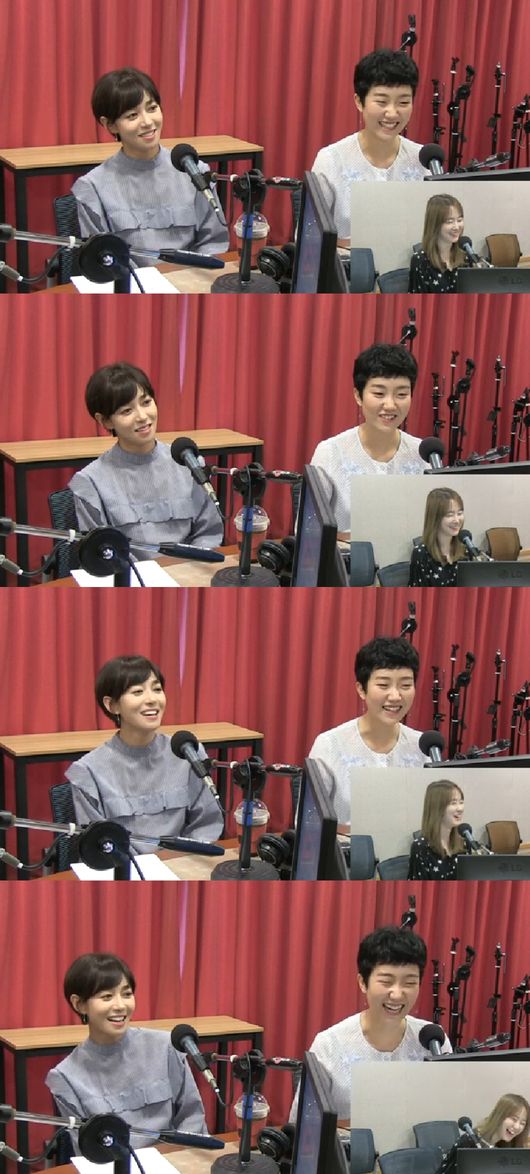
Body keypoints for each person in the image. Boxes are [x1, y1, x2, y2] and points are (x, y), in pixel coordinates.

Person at [46, 953, 208, 1149]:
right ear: (79, 1004)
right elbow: (87, 1150)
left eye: (127, 994)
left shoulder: (166, 1046)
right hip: (115, 1163)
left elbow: (192, 1118)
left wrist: (179, 1158)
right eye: (107, 997)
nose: (120, 1006)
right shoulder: (66, 1077)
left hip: (175, 1158)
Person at [289, 926, 451, 1123]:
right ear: (363, 982)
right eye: (386, 982)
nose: (397, 994)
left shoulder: (433, 1040)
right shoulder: (329, 1045)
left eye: (409, 983)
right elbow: (302, 1124)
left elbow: (449, 1112)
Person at [66, 655, 224, 854]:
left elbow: (206, 824)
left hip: (183, 863)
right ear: (112, 705)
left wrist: (179, 861)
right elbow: (99, 846)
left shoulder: (188, 752)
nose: (152, 699)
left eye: (157, 689)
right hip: (124, 868)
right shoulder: (88, 771)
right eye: (137, 692)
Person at [69, 362, 223, 559]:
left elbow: (209, 533)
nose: (142, 416)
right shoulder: (90, 482)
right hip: (131, 575)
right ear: (105, 420)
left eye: (146, 402)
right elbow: (104, 554)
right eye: (127, 411)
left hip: (190, 570)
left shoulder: (188, 463)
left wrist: (188, 568)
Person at [72, 68, 228, 260]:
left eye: (152, 108)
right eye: (132, 115)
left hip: (192, 276)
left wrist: (191, 273)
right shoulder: (93, 187)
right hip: (131, 279)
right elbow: (103, 260)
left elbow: (213, 242)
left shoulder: (195, 172)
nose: (147, 122)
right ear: (110, 124)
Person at [312, 50, 429, 243]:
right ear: (359, 102)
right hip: (345, 261)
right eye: (382, 102)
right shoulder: (331, 160)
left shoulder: (423, 159)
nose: (392, 113)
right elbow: (308, 238)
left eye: (403, 102)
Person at [309, 637, 429, 824]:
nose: (395, 696)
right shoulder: (330, 745)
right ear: (361, 689)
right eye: (383, 685)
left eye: (405, 685)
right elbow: (309, 822)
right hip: (342, 843)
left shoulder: (423, 746)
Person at [311, 344, 429, 533]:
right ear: (358, 396)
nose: (390, 405)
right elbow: (309, 530)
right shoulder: (330, 452)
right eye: (379, 394)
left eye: (401, 394)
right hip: (344, 552)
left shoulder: (423, 453)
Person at [439, 1095, 529, 1174]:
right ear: (499, 1115)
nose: (517, 1126)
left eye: (522, 1123)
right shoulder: (470, 1142)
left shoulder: (506, 1146)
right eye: (514, 1119)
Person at [408, 780, 466, 880]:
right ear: (437, 807)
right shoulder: (421, 847)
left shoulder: (462, 843)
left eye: (461, 802)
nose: (460, 808)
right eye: (453, 803)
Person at [409, 195, 467, 293]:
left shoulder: (465, 257)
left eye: (459, 220)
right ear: (435, 224)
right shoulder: (420, 261)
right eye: (450, 222)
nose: (457, 227)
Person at [409, 488, 467, 587]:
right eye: (450, 515)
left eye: (459, 513)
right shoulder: (421, 554)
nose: (457, 520)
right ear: (435, 518)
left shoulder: (465, 550)